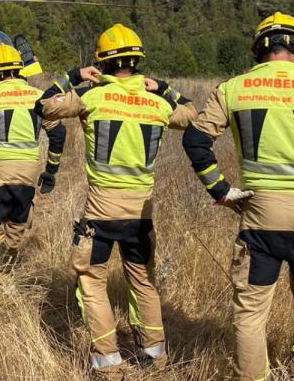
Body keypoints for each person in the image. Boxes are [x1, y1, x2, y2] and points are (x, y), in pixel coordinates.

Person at [182, 12, 294, 381]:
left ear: (258, 48)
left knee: (250, 312)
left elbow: (196, 140)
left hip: (259, 216)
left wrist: (221, 191)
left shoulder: (233, 88)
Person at [35, 24, 196, 380]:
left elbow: (44, 105)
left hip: (101, 213)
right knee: (144, 281)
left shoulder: (91, 98)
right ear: (137, 62)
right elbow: (192, 114)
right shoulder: (158, 103)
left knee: (91, 281)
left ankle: (108, 362)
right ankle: (154, 355)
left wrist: (73, 75)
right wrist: (165, 89)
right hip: (142, 213)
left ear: (102, 63)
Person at [0, 43, 66, 259]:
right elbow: (58, 134)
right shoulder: (38, 96)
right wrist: (50, 171)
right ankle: (10, 261)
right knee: (19, 217)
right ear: (20, 69)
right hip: (29, 170)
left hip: (0, 170)